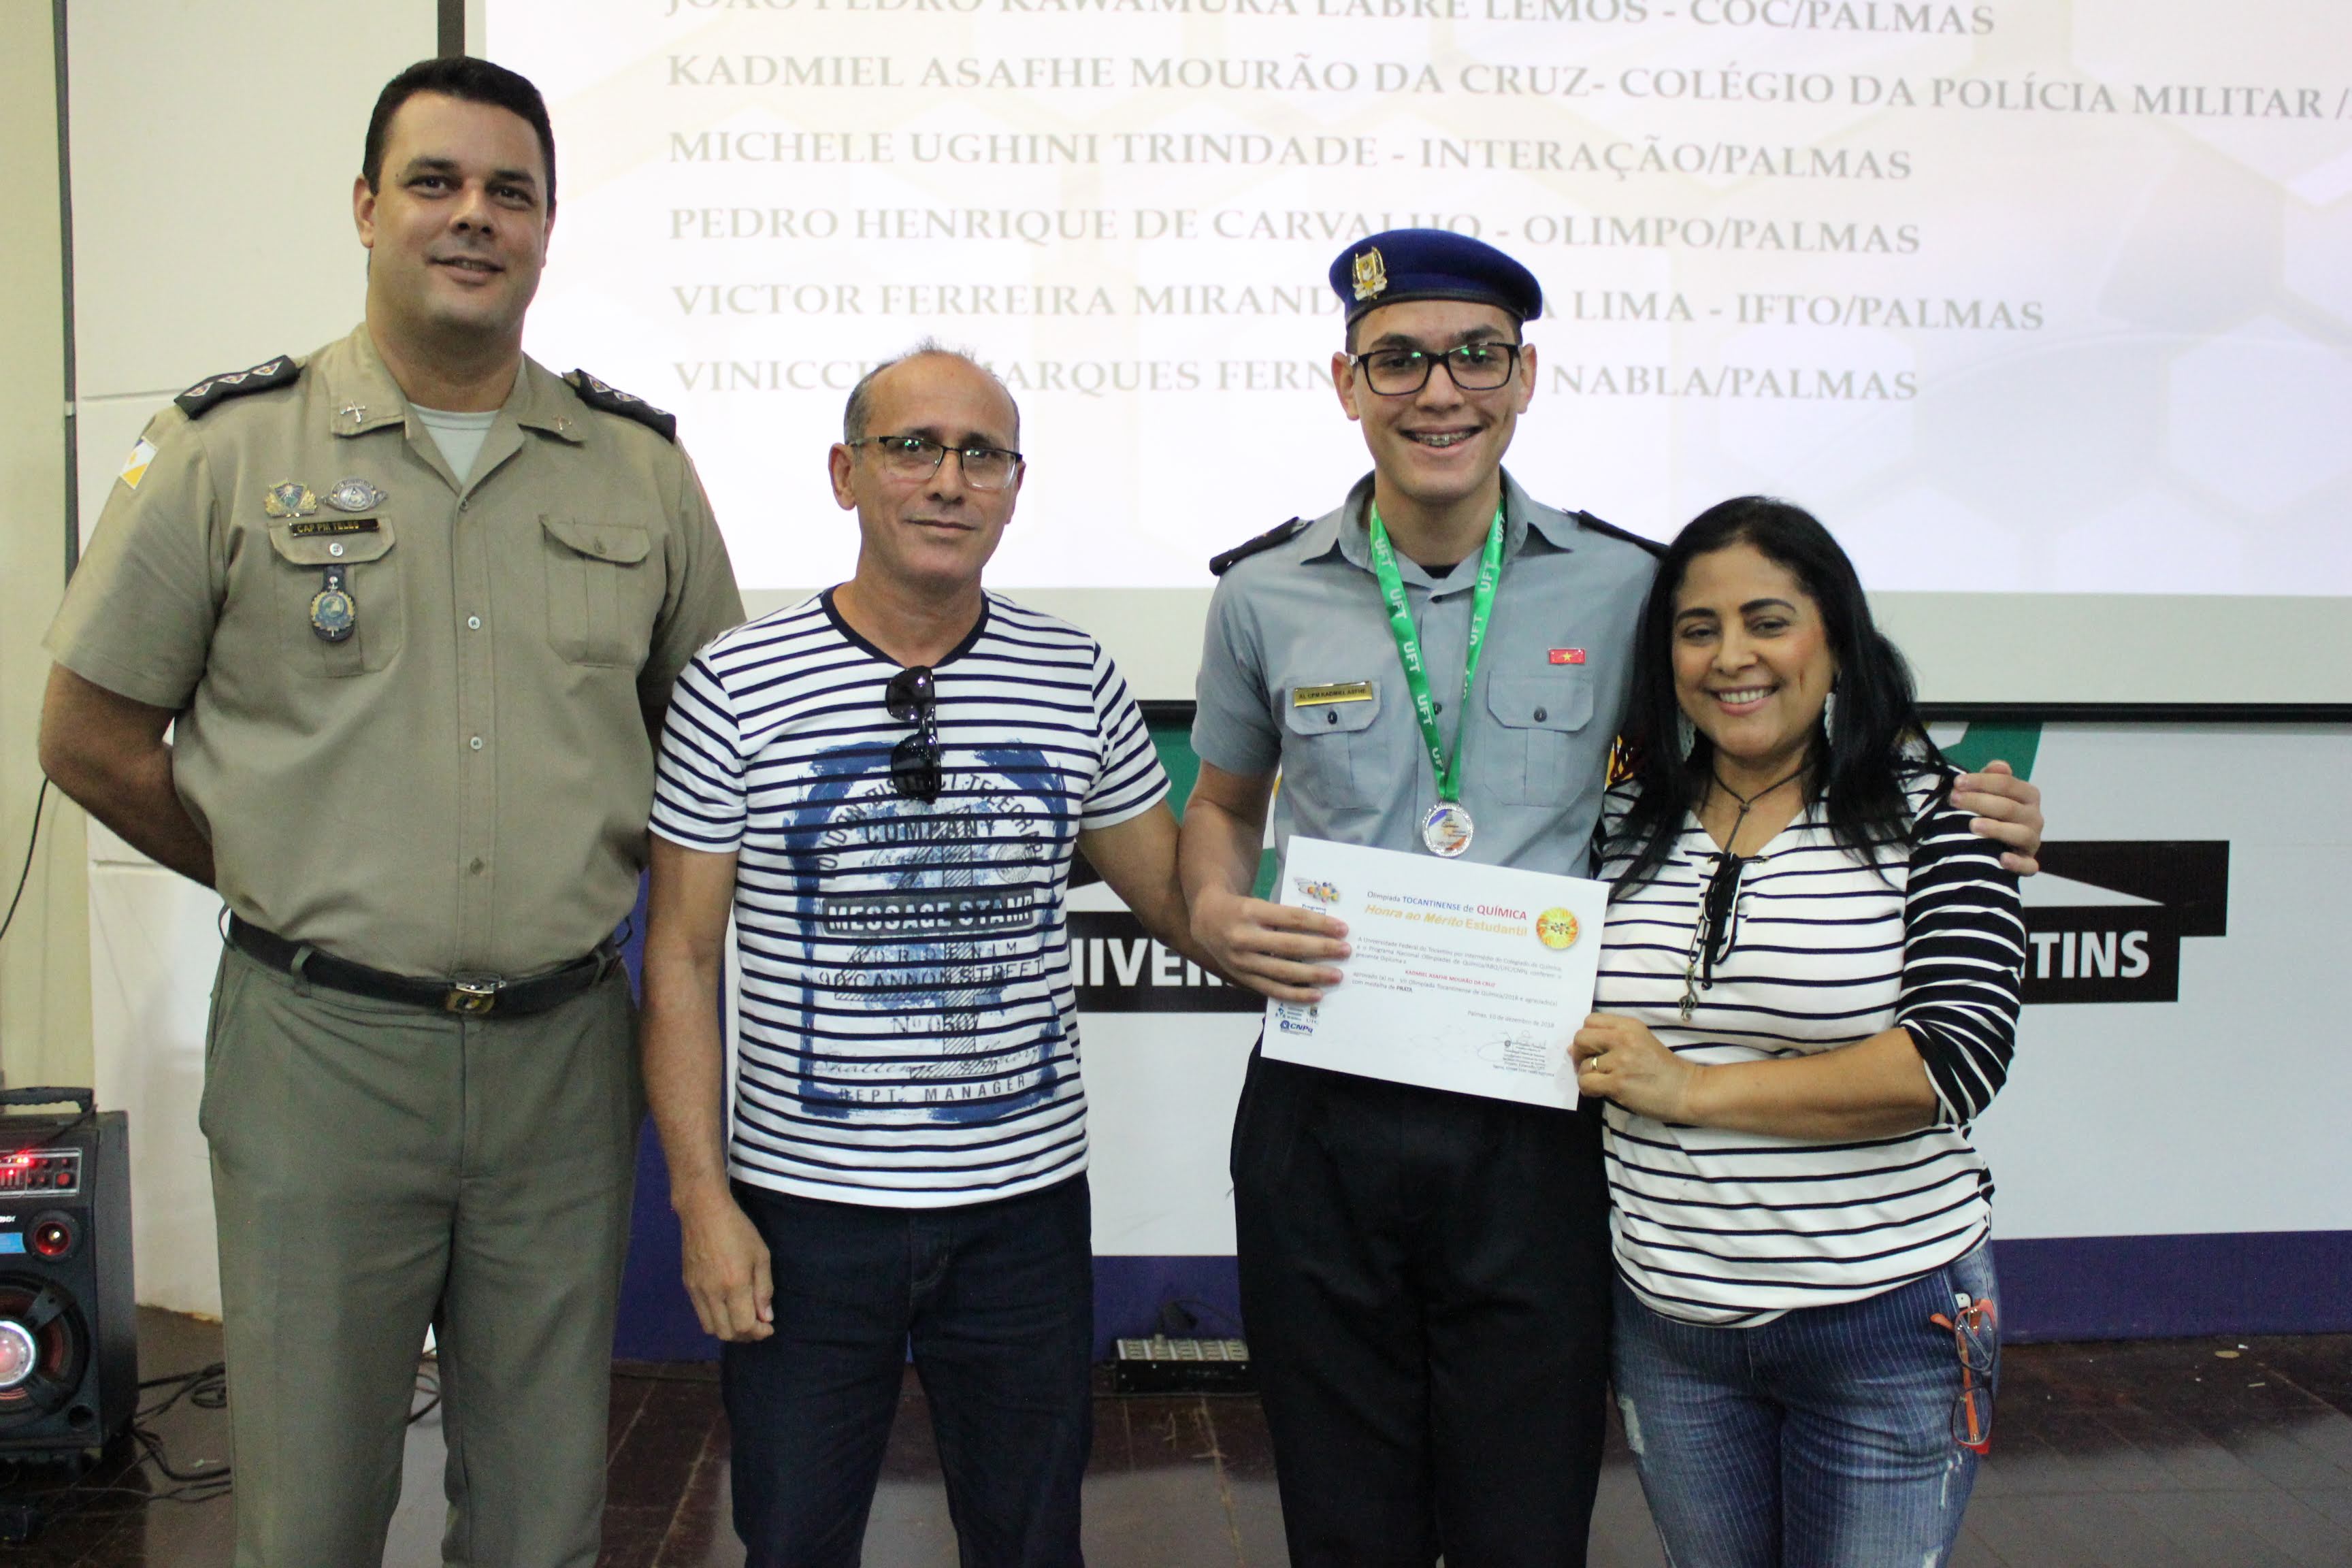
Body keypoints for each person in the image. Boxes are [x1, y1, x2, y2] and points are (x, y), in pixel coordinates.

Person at [1177, 229, 2044, 1566]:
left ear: (1525, 376)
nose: (1438, 392)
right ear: (1346, 384)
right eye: (1397, 360)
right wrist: (1215, 914)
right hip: (1324, 1115)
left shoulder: (1635, 585)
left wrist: (1964, 801)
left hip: (1539, 1116)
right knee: (1342, 1513)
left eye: (1475, 356)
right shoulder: (1261, 593)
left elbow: (1777, 712)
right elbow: (1224, 813)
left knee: (1527, 1513)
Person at [37, 58, 742, 1567]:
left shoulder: (641, 471)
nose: (472, 218)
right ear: (365, 208)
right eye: (435, 183)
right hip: (320, 1056)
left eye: (511, 192)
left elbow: (706, 756)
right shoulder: (230, 453)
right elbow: (89, 738)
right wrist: (276, 863)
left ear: (550, 229)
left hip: (564, 1058)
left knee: (549, 1506)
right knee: (306, 1512)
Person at [638, 342, 1191, 1566]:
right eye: (913, 448)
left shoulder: (1074, 675)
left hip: (1022, 1217)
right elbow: (678, 960)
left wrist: (1387, 933)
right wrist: (700, 1203)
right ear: (846, 473)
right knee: (790, 1539)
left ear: (1014, 484)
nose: (949, 480)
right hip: (804, 1217)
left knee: (1033, 1539)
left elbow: (1182, 905)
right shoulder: (735, 684)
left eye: (980, 454)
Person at [1574, 495, 2024, 1567]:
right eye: (1698, 629)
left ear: (1835, 635)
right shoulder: (1616, 826)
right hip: (1671, 1332)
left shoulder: (1944, 814)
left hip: (1884, 1324)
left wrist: (1687, 1090)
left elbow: (1953, 1059)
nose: (1733, 657)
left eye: (1768, 620)